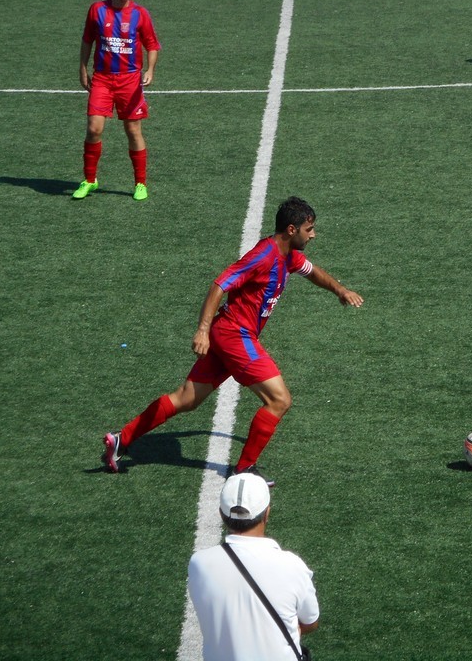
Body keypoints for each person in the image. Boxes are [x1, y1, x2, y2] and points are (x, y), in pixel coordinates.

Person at [101, 197, 364, 477]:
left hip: (228, 333)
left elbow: (312, 272)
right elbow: (219, 285)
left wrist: (340, 290)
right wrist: (202, 330)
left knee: (187, 399)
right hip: (234, 335)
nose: (313, 235)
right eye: (309, 229)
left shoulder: (289, 255)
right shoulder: (263, 256)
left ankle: (121, 439)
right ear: (291, 229)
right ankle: (244, 469)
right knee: (279, 400)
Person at [189, 472, 319, 661]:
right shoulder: (292, 565)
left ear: (221, 514)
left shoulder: (199, 563)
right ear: (267, 513)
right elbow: (310, 622)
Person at [73, 0, 161, 201]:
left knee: (133, 131)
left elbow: (152, 45)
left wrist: (150, 70)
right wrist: (82, 69)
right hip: (102, 79)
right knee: (94, 129)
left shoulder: (140, 14)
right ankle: (90, 180)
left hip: (129, 81)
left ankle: (140, 183)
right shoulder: (97, 10)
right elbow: (87, 40)